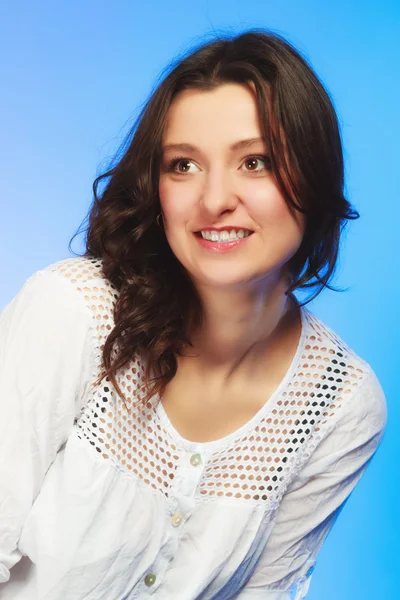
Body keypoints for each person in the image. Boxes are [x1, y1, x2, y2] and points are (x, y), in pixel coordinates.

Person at [0, 29, 387, 600]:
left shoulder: (339, 403)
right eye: (183, 166)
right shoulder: (71, 311)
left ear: (315, 174)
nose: (212, 200)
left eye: (255, 162)